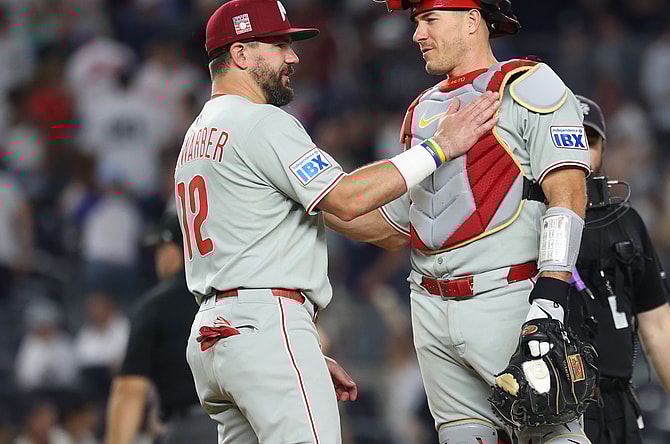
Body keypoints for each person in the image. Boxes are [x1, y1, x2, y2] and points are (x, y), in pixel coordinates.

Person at [177, 1, 501, 443]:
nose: (292, 57)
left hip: (217, 337)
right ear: (241, 55)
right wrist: (439, 147)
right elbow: (347, 199)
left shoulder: (197, 135)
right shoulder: (260, 121)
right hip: (263, 323)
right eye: (279, 45)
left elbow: (330, 221)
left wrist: (297, 350)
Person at [332, 1, 592, 442]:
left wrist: (550, 295)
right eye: (416, 22)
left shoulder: (529, 85)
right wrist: (315, 204)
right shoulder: (421, 110)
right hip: (429, 305)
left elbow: (567, 195)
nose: (417, 34)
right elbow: (399, 227)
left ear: (473, 20)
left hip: (506, 296)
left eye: (429, 19)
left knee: (551, 434)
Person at [567, 95, 670, 444]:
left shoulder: (626, 222)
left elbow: (658, 324)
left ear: (603, 149)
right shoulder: (521, 221)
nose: (581, 149)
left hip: (618, 409)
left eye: (590, 140)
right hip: (554, 409)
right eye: (570, 136)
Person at [104, 212, 218, 444]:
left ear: (170, 250)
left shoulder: (154, 307)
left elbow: (130, 390)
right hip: (244, 426)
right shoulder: (232, 295)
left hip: (190, 430)